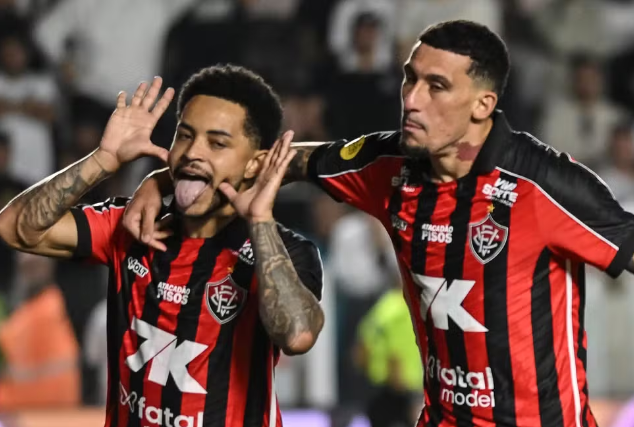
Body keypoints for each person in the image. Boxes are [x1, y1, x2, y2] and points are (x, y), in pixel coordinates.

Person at [125, 20, 634, 426]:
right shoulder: (387, 165)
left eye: (436, 86)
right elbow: (278, 162)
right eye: (411, 78)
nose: (411, 98)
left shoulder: (545, 184)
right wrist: (167, 179)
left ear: (484, 104)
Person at [0, 65, 325, 426]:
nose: (192, 152)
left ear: (254, 165)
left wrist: (260, 221)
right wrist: (102, 161)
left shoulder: (285, 251)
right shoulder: (133, 224)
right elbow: (14, 228)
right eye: (184, 136)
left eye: (217, 143)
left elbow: (297, 335)